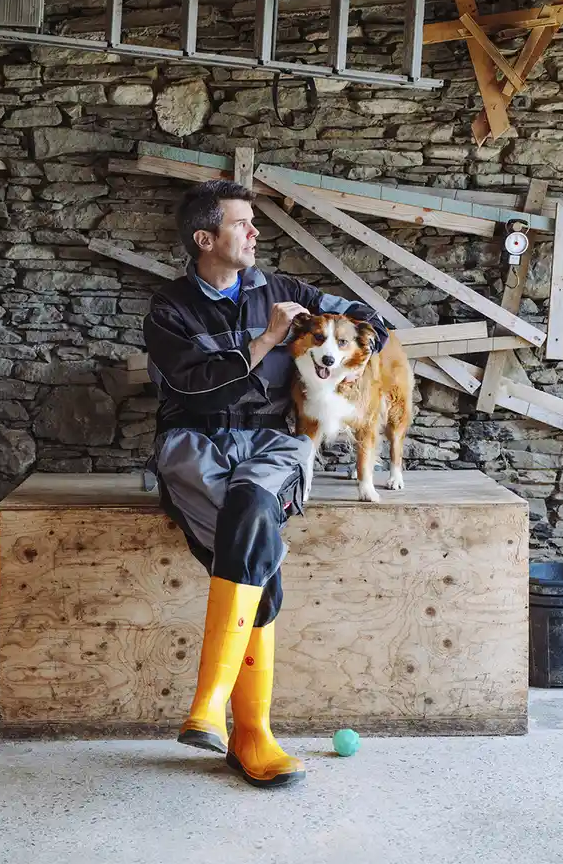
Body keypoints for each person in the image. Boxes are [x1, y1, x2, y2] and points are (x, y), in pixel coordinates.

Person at [143, 179, 389, 788]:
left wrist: (357, 361)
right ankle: (252, 733)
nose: (255, 234)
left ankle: (208, 704)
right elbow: (193, 384)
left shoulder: (285, 291)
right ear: (206, 239)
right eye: (242, 224)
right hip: (191, 442)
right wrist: (268, 340)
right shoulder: (169, 309)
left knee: (253, 503)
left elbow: (367, 318)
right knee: (252, 535)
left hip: (273, 443)